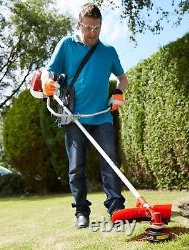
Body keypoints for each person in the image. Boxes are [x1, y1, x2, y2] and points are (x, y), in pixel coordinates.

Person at [41, 3, 128, 228]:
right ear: (79, 24)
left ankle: (116, 208)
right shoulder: (67, 45)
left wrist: (118, 93)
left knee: (110, 162)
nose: (92, 33)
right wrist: (47, 83)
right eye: (88, 28)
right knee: (76, 166)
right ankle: (81, 211)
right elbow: (49, 72)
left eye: (97, 28)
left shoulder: (108, 51)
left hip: (102, 117)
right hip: (73, 117)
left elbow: (123, 78)